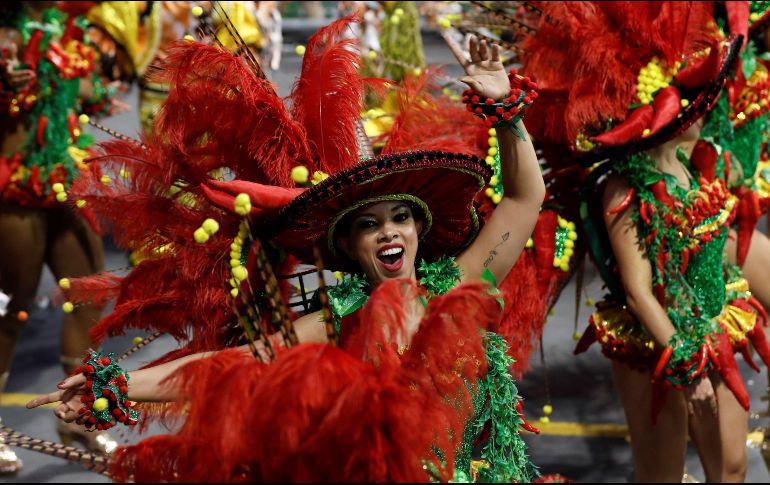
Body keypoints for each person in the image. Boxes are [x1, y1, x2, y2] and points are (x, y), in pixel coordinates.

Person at [26, 16, 546, 481]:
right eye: (370, 224)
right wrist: (114, 383)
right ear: (349, 245)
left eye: (401, 217)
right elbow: (226, 364)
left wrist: (505, 112)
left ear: (419, 229)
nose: (390, 232)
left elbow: (525, 198)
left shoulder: (458, 287)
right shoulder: (338, 322)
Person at [521, 2, 764, 482]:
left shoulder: (697, 166)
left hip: (715, 326)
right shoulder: (624, 188)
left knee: (732, 468)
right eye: (691, 101)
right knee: (661, 475)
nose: (704, 109)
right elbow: (638, 290)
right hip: (656, 344)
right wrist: (686, 362)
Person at [0, 0, 124, 473]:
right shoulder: (8, 30)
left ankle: (83, 415)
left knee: (90, 291)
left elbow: (85, 92)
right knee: (13, 307)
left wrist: (95, 85)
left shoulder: (70, 29)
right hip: (15, 185)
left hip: (63, 178)